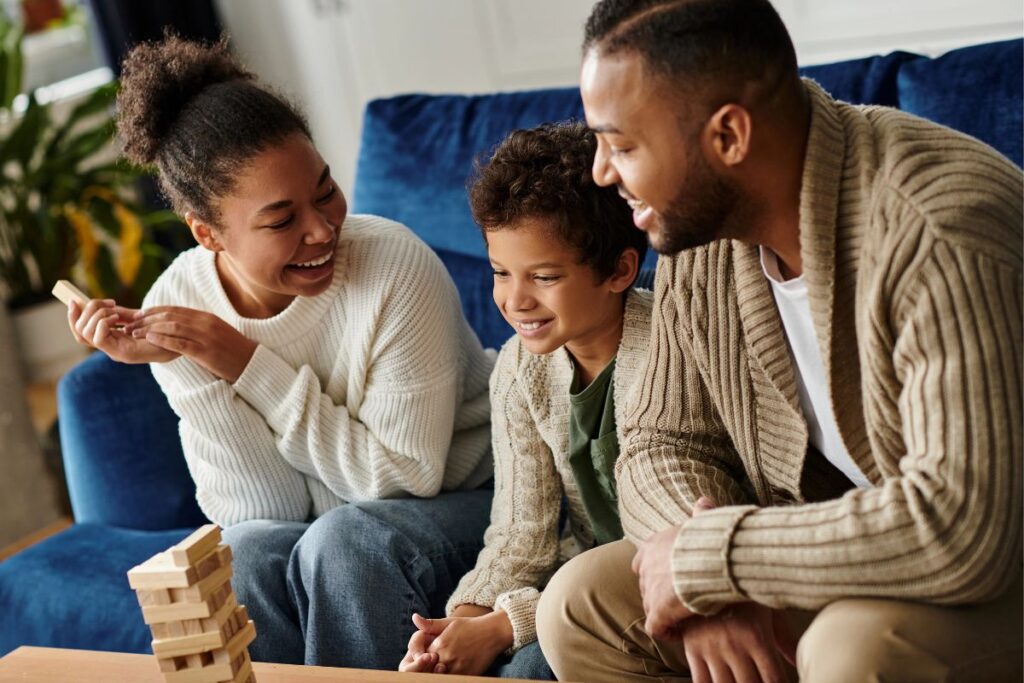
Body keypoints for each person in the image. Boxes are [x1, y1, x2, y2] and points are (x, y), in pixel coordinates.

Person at [535, 1, 1024, 682]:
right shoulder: (698, 236)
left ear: (728, 135)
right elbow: (656, 442)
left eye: (622, 145)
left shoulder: (938, 229)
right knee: (579, 603)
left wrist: (713, 558)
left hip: (999, 564)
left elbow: (962, 527)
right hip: (847, 554)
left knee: (855, 651)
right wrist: (703, 585)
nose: (600, 173)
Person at [66, 35, 498, 669]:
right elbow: (262, 513)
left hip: (476, 495)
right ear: (206, 232)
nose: (322, 229)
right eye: (281, 219)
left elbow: (405, 477)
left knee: (343, 542)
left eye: (324, 191)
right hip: (344, 521)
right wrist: (191, 364)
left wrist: (243, 362)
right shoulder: (181, 301)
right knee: (245, 554)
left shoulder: (393, 267)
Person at [398, 121, 651, 679]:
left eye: (543, 276)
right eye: (500, 273)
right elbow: (521, 532)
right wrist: (460, 624)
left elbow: (658, 544)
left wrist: (504, 625)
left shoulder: (668, 350)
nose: (515, 300)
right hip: (578, 582)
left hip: (651, 580)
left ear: (619, 270)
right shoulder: (518, 368)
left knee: (529, 670)